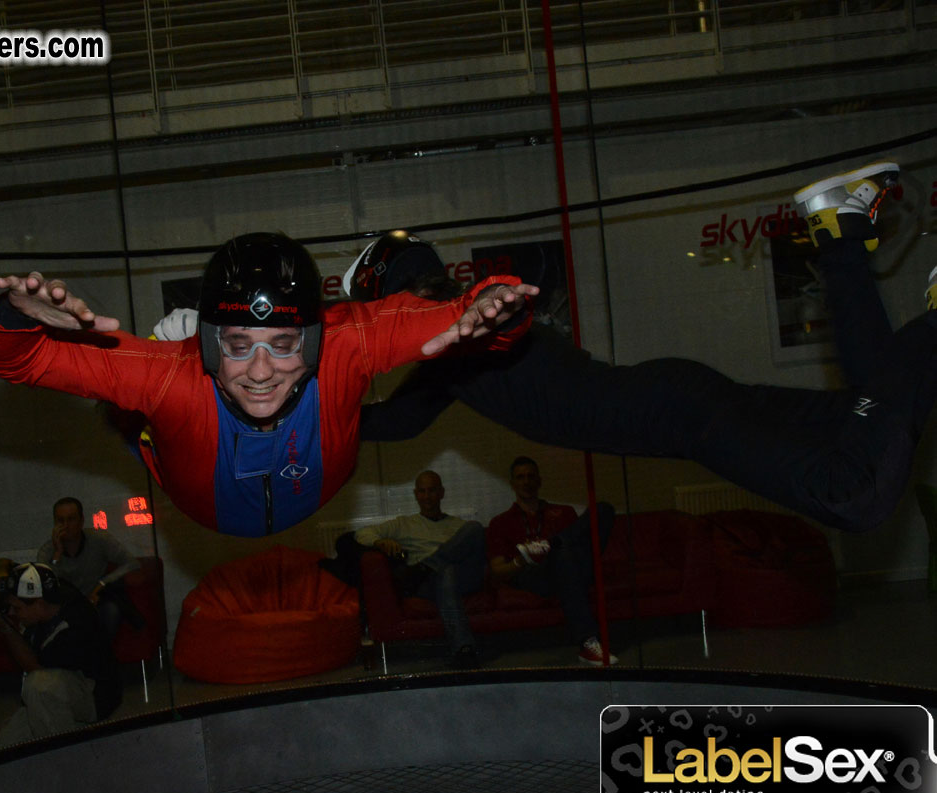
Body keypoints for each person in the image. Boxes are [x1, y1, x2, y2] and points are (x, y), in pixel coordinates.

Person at [353, 162, 937, 533]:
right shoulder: (454, 353)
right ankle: (840, 231)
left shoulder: (451, 336)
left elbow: (392, 416)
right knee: (870, 404)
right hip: (678, 398)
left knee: (852, 493)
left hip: (683, 414)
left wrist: (293, 408)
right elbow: (401, 422)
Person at [0, 232, 537, 537]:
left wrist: (499, 311)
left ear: (316, 340)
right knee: (131, 405)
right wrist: (14, 315)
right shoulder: (170, 375)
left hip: (298, 486)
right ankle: (142, 417)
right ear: (207, 343)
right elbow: (19, 361)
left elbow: (471, 316)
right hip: (202, 479)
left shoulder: (346, 343)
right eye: (239, 346)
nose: (263, 372)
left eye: (286, 345)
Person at [0, 562, 122, 747]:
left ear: (40, 604)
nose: (12, 612)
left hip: (93, 694)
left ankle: (66, 757)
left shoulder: (73, 626)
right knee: (5, 749)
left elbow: (34, 668)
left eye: (17, 608)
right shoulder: (49, 589)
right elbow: (0, 563)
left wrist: (6, 629)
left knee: (38, 686)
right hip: (61, 686)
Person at [486, 456, 618, 666]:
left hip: (573, 571)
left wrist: (551, 545)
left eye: (531, 476)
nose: (526, 482)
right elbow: (497, 571)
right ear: (512, 483)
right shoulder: (500, 522)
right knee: (563, 554)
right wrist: (521, 561)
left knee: (603, 509)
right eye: (520, 477)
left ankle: (551, 544)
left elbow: (582, 546)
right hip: (535, 575)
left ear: (539, 480)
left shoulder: (564, 512)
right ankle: (587, 643)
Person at [353, 471, 489, 668]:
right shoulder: (404, 524)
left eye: (432, 491)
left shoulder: (459, 526)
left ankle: (427, 566)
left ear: (441, 493)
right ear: (416, 494)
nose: (427, 496)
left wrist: (429, 565)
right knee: (446, 571)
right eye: (422, 491)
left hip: (460, 580)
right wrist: (380, 541)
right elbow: (361, 533)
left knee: (474, 528)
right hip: (429, 585)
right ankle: (463, 650)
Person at [36, 496, 143, 640]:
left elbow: (131, 563)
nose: (66, 525)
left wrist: (101, 584)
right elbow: (48, 586)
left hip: (96, 601)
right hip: (65, 607)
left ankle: (101, 656)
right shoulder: (47, 551)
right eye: (60, 521)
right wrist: (57, 555)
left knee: (111, 611)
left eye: (71, 519)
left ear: (81, 521)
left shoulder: (98, 540)